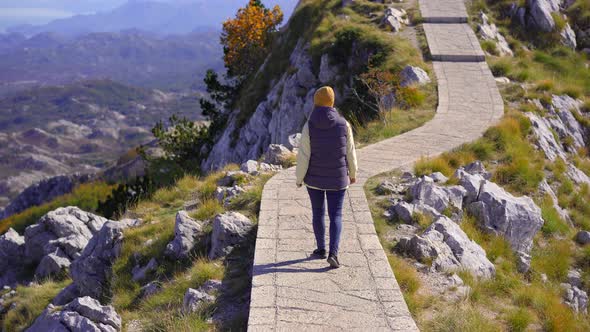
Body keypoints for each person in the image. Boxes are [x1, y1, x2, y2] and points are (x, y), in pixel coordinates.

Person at [295, 86, 358, 268]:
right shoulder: (344, 124)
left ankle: (321, 249)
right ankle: (334, 254)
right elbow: (350, 153)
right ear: (332, 102)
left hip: (314, 179)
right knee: (336, 215)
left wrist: (299, 179)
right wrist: (352, 174)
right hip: (338, 179)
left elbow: (304, 155)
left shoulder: (309, 125)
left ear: (315, 102)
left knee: (318, 213)